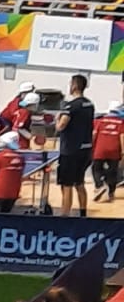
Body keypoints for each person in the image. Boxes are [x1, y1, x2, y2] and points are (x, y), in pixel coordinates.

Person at [58, 73, 95, 217]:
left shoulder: (71, 106)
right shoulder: (90, 104)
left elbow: (61, 126)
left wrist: (57, 119)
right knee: (79, 182)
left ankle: (65, 215)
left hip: (70, 150)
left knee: (66, 185)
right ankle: (83, 213)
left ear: (74, 86)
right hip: (85, 150)